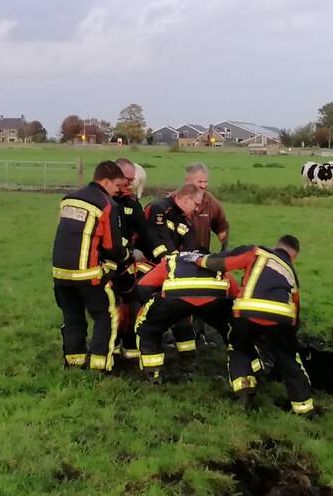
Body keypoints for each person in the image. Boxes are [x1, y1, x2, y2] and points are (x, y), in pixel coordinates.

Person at [195, 235, 314, 417]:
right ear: (294, 255)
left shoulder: (258, 252)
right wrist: (289, 335)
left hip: (246, 313)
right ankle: (304, 408)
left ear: (277, 245)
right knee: (288, 359)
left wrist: (199, 260)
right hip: (281, 318)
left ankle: (245, 394)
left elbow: (225, 262)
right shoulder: (291, 273)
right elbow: (296, 308)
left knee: (239, 348)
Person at [52, 160, 129, 371]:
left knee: (72, 315)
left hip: (59, 273)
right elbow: (112, 246)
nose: (118, 192)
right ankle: (100, 364)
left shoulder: (67, 200)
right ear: (105, 181)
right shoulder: (107, 205)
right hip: (88, 274)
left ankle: (73, 361)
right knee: (107, 313)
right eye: (117, 186)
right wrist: (128, 254)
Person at [132, 251, 239, 382]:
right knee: (235, 331)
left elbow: (143, 286)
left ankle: (153, 374)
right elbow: (235, 293)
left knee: (147, 328)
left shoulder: (170, 260)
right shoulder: (215, 262)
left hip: (174, 299)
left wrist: (155, 302)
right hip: (215, 298)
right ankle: (245, 373)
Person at [111, 158, 154, 361]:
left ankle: (129, 347)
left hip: (127, 264)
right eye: (126, 179)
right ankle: (107, 349)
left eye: (132, 179)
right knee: (111, 309)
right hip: (106, 264)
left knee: (131, 303)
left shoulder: (131, 202)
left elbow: (146, 232)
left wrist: (163, 255)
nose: (130, 184)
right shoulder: (104, 201)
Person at [144, 183, 202, 262]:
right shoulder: (159, 209)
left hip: (171, 265)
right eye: (196, 204)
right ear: (186, 199)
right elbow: (159, 240)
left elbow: (189, 245)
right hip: (150, 263)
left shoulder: (186, 220)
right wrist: (175, 260)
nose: (197, 209)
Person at [185, 162, 230, 252]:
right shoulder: (173, 201)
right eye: (200, 182)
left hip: (201, 259)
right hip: (177, 259)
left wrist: (224, 244)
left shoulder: (210, 201)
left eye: (206, 182)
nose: (203, 186)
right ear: (188, 181)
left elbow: (222, 225)